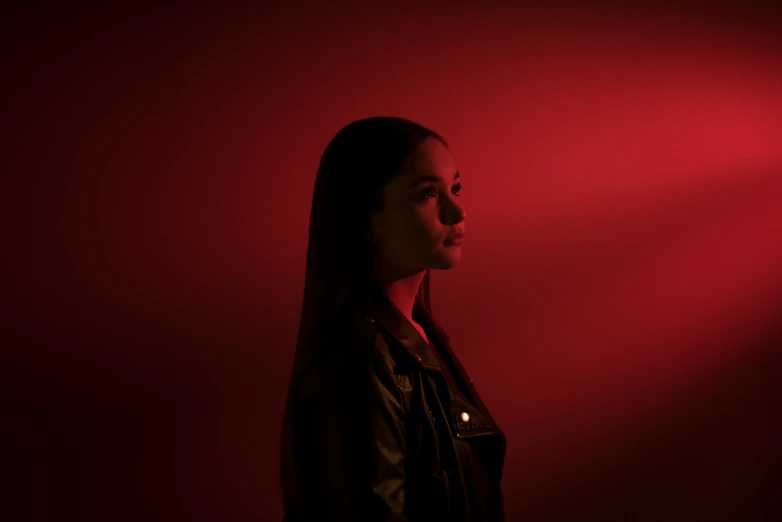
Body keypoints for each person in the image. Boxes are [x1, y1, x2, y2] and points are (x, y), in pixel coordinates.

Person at [279, 116, 506, 521]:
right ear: (366, 218)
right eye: (428, 194)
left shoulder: (417, 338)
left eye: (454, 188)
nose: (457, 211)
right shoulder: (360, 357)